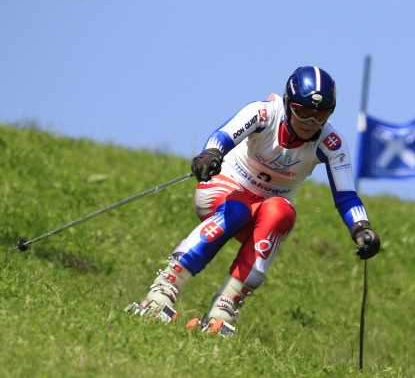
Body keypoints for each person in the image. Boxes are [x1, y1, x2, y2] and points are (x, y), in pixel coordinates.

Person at [126, 66, 381, 335]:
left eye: (321, 115)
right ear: (287, 103)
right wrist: (211, 153)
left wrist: (361, 227)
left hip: (263, 209)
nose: (310, 122)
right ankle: (163, 290)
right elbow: (224, 135)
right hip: (224, 190)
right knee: (237, 211)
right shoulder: (264, 113)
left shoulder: (331, 143)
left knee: (282, 212)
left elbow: (346, 196)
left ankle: (223, 310)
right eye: (302, 111)